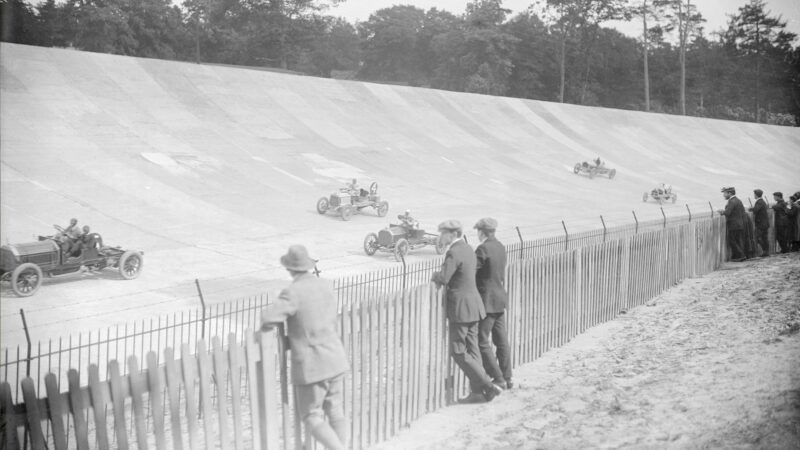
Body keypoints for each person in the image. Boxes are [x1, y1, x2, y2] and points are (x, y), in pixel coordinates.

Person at [261, 245, 349, 450]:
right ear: (308, 266)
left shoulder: (293, 292)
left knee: (311, 415)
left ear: (290, 269)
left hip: (314, 367)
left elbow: (268, 319)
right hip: (336, 358)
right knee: (336, 411)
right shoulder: (326, 285)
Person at [431, 220, 502, 404]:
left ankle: (487, 385)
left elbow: (445, 277)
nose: (441, 237)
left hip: (461, 309)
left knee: (458, 351)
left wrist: (434, 276)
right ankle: (477, 393)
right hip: (474, 307)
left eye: (443, 233)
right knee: (474, 349)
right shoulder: (469, 248)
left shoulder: (453, 252)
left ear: (452, 234)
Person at [473, 218, 512, 390]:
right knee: (501, 341)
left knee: (481, 340)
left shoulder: (483, 248)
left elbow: (472, 271)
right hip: (499, 299)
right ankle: (508, 377)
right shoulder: (500, 246)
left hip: (487, 301)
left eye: (478, 231)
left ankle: (497, 378)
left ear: (482, 232)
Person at [717, 187, 748, 261]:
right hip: (739, 224)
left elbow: (728, 212)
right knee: (737, 240)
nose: (724, 195)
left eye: (725, 193)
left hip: (734, 225)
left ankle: (741, 256)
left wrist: (721, 212)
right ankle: (738, 256)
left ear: (729, 193)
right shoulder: (738, 200)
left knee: (732, 241)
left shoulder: (731, 201)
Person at [749, 189, 770, 257]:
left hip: (761, 224)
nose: (754, 195)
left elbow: (755, 210)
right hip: (764, 223)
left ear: (756, 195)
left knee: (759, 238)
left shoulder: (759, 202)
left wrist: (751, 209)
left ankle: (765, 251)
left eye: (754, 194)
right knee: (764, 238)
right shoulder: (762, 201)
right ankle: (766, 252)